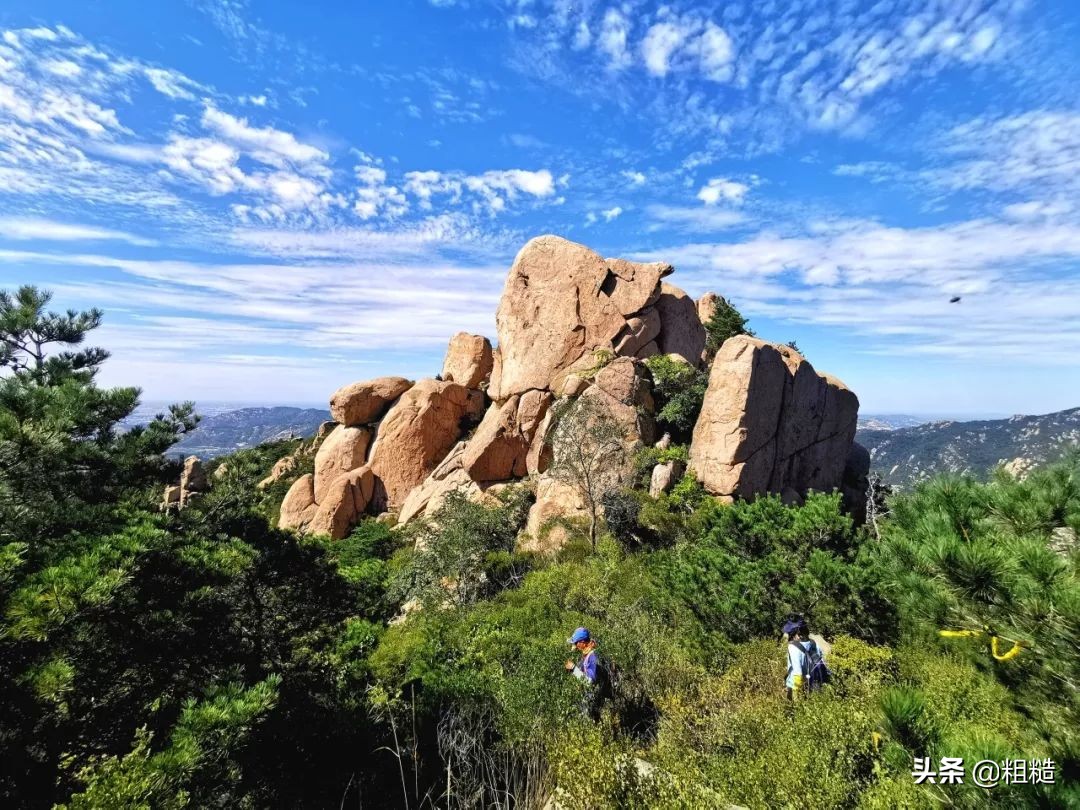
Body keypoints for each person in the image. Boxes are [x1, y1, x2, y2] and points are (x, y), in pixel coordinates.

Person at [565, 626, 608, 719]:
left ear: (583, 643)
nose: (574, 646)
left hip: (596, 705)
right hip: (590, 702)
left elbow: (589, 681)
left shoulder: (593, 656)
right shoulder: (586, 655)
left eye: (576, 643)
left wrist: (573, 669)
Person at [783, 617, 828, 700]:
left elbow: (798, 672)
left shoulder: (793, 647)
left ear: (798, 635)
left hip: (797, 685)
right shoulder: (814, 643)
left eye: (792, 635)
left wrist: (796, 695)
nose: (791, 639)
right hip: (813, 684)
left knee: (795, 711)